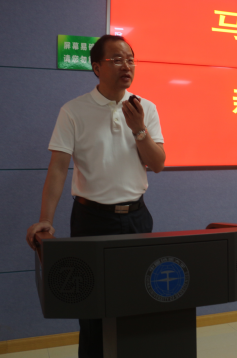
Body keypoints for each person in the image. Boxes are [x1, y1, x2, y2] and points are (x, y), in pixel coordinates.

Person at [25, 35, 165, 358]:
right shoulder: (73, 111)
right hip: (91, 220)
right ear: (97, 67)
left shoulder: (145, 108)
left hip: (137, 218)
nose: (126, 66)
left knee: (137, 302)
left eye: (130, 59)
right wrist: (46, 219)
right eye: (117, 59)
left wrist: (139, 128)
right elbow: (58, 169)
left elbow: (157, 164)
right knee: (92, 309)